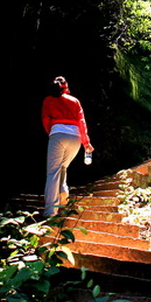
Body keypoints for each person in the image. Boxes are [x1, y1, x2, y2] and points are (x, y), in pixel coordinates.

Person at [41, 75, 94, 218]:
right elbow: (82, 123)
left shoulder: (48, 100)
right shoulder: (75, 101)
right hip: (75, 138)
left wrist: (52, 133)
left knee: (53, 173)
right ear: (66, 86)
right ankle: (63, 201)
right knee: (63, 168)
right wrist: (86, 144)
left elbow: (46, 120)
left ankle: (50, 212)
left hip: (58, 135)